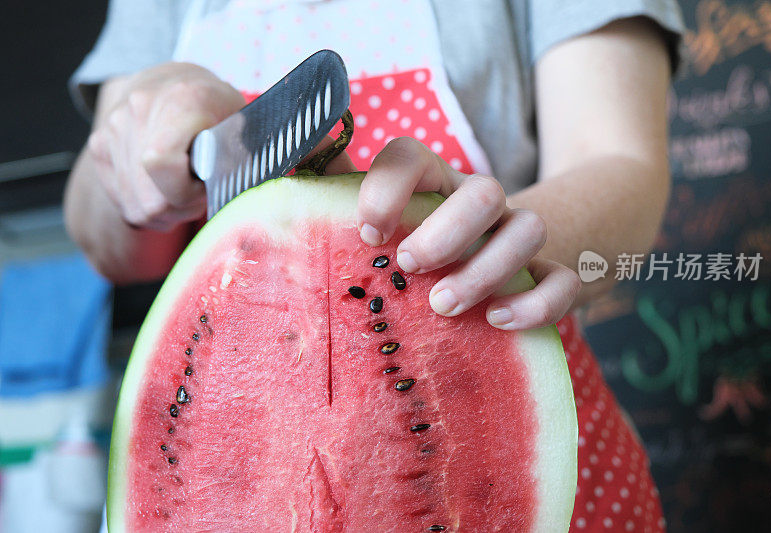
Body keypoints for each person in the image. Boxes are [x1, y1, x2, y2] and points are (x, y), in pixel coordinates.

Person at [65, 0, 684, 530]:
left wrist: (476, 239)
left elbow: (619, 163)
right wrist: (141, 141)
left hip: (494, 418)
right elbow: (116, 250)